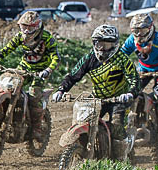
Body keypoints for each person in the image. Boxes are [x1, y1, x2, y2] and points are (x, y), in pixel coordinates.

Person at [53, 24, 139, 153]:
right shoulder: (89, 58)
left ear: (115, 44)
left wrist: (130, 93)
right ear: (94, 43)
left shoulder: (123, 60)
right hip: (97, 98)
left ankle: (122, 159)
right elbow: (73, 75)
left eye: (107, 44)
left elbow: (135, 80)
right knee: (83, 118)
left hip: (119, 100)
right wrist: (61, 89)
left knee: (117, 128)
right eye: (99, 44)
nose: (103, 48)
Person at [0, 10, 60, 141]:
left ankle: (37, 129)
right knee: (8, 86)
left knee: (33, 96)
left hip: (40, 72)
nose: (26, 31)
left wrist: (48, 70)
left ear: (37, 27)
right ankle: (4, 115)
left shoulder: (47, 38)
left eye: (30, 28)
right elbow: (7, 49)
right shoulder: (20, 37)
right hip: (24, 68)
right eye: (23, 27)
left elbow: (56, 57)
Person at [121, 13, 158, 134]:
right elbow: (121, 54)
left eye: (143, 30)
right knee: (131, 90)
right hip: (143, 69)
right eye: (136, 31)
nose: (139, 34)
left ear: (150, 28)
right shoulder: (132, 40)